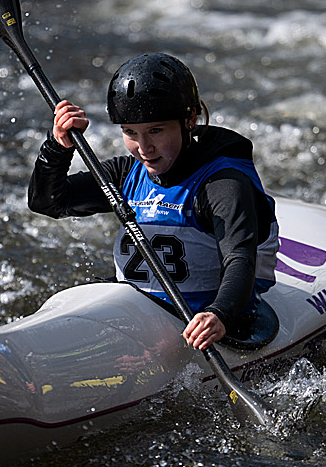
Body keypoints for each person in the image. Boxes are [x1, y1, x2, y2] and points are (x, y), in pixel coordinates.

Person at [28, 52, 279, 351]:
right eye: (130, 132)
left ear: (189, 119)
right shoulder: (125, 174)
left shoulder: (222, 185)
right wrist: (58, 147)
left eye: (156, 131)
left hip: (203, 319)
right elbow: (48, 202)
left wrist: (219, 314)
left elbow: (240, 259)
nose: (144, 148)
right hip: (138, 312)